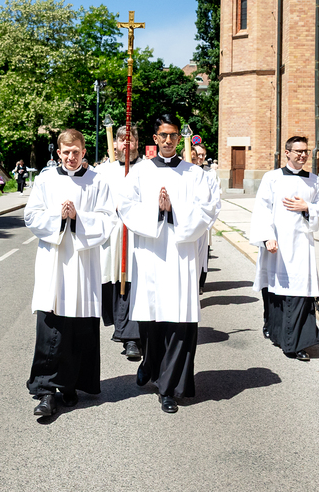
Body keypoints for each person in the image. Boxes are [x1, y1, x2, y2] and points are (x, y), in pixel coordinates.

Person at [117, 114, 218, 414]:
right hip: (151, 256)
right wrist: (156, 211)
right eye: (164, 135)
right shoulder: (139, 172)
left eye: (174, 135)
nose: (169, 140)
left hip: (180, 257)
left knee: (179, 323)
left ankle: (169, 389)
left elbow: (209, 209)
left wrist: (174, 212)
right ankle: (150, 364)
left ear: (179, 138)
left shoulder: (195, 174)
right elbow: (125, 206)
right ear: (156, 138)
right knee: (151, 323)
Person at [24, 129, 117, 417]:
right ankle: (45, 390)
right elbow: (31, 215)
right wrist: (58, 217)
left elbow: (108, 220)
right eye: (66, 152)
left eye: (76, 151)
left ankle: (71, 385)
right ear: (58, 153)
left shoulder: (97, 181)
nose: (71, 157)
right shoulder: (45, 179)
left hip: (83, 263)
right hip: (54, 262)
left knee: (79, 328)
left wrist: (78, 218)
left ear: (84, 151)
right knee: (51, 325)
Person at [248, 135, 319, 362]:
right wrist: (267, 237)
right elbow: (262, 209)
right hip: (277, 244)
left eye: (305, 151)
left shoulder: (314, 181)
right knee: (275, 289)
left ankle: (297, 342)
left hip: (302, 244)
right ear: (287, 153)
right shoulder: (272, 178)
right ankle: (275, 329)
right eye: (298, 151)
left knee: (300, 292)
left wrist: (307, 207)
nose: (302, 155)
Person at [95, 126, 144, 360]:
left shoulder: (147, 170)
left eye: (131, 140)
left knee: (134, 282)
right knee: (113, 284)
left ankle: (131, 337)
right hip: (112, 236)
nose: (126, 145)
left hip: (137, 236)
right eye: (122, 140)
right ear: (114, 144)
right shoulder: (103, 172)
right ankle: (121, 327)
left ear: (137, 144)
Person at [191, 144, 222, 294]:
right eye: (198, 154)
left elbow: (215, 198)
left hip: (203, 221)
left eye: (203, 155)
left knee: (202, 255)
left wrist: (207, 221)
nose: (201, 157)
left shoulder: (210, 173)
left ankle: (200, 283)